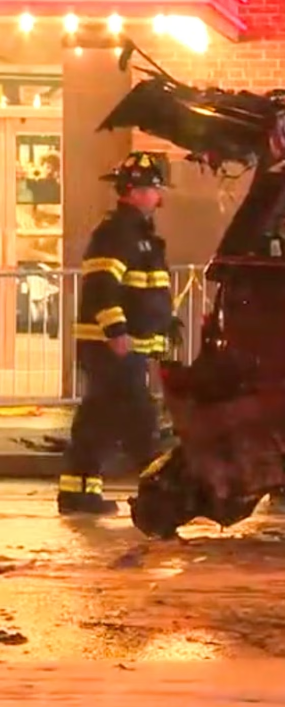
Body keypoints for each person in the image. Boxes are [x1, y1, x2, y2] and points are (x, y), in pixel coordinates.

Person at [58, 151, 174, 516]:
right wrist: (117, 331)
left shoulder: (138, 235)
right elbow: (100, 286)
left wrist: (166, 326)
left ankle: (78, 491)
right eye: (155, 188)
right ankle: (162, 496)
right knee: (141, 419)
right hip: (113, 347)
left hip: (120, 346)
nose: (159, 196)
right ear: (137, 192)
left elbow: (143, 290)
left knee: (98, 418)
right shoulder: (118, 234)